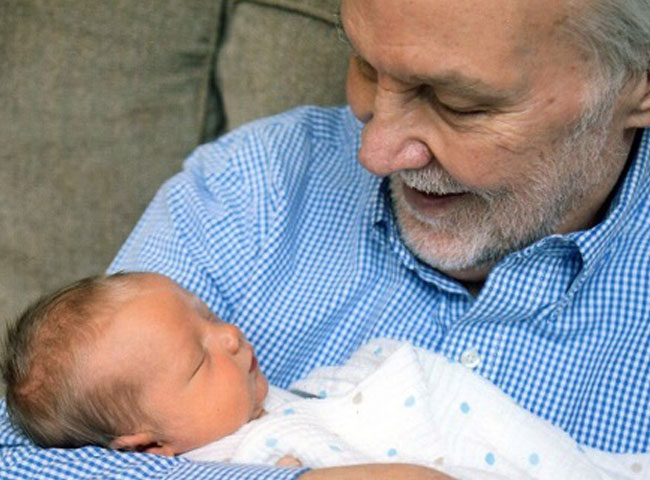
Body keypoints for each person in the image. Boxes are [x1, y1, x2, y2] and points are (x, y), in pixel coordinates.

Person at [2, 0, 650, 478]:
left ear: (638, 81)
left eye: (456, 102)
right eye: (365, 66)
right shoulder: (252, 188)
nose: (374, 151)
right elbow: (24, 458)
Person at [3, 272, 642, 479]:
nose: (228, 335)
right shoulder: (255, 456)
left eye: (206, 315)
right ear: (148, 447)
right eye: (199, 360)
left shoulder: (276, 403)